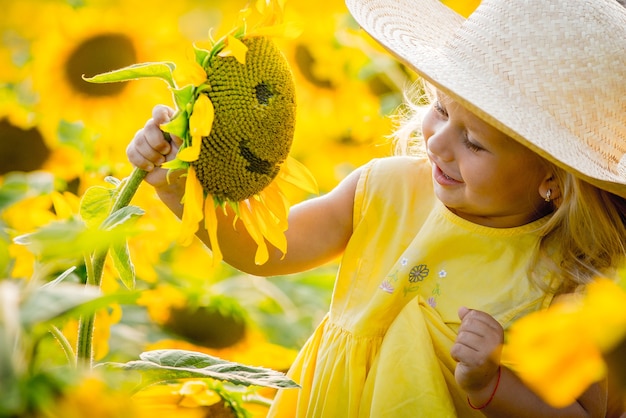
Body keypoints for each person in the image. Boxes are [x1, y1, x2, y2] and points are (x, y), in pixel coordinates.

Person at [127, 0, 626, 416]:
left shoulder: (567, 284)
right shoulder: (384, 189)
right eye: (440, 109)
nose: (438, 142)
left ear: (553, 182)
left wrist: (491, 384)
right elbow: (269, 249)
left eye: (474, 143)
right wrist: (175, 185)